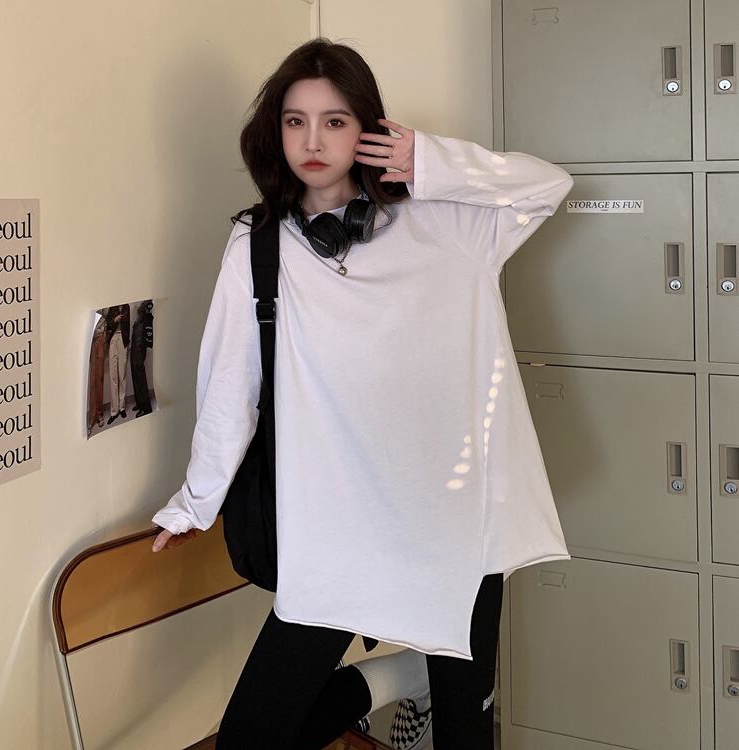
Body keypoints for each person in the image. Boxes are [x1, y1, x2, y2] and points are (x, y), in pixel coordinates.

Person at [150, 37, 574, 749]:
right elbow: (231, 385)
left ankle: (410, 680)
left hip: (453, 525)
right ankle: (385, 681)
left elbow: (548, 185)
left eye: (335, 121)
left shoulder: (445, 221)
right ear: (275, 132)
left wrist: (432, 162)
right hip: (336, 529)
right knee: (254, 735)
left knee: (465, 735)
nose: (313, 142)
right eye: (295, 121)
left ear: (368, 131)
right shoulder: (259, 245)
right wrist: (196, 500)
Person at [105, 303, 130, 424]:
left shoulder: (126, 307)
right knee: (113, 376)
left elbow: (128, 325)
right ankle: (114, 411)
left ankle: (122, 407)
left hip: (123, 340)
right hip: (113, 340)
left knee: (122, 374)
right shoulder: (112, 307)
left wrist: (128, 343)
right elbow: (108, 324)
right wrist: (115, 320)